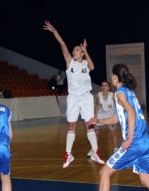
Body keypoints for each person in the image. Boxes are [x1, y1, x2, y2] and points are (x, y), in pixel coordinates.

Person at [89, 64, 149, 191]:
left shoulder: (119, 93)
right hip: (146, 142)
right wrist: (98, 121)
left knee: (104, 173)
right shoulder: (129, 92)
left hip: (134, 142)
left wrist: (129, 139)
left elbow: (131, 113)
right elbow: (116, 118)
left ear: (114, 77)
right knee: (147, 181)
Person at [43, 21, 105, 168]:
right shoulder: (70, 62)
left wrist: (86, 50)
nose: (73, 51)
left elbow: (92, 66)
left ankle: (96, 152)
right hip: (73, 98)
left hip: (86, 97)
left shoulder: (84, 64)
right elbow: (63, 45)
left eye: (76, 50)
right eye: (74, 50)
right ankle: (68, 154)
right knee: (71, 125)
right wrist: (54, 31)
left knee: (90, 124)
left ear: (81, 53)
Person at [87, 81, 119, 157]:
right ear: (101, 87)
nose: (104, 87)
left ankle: (116, 149)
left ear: (109, 88)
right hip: (100, 116)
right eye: (102, 85)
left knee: (113, 133)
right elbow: (98, 105)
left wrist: (118, 115)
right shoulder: (99, 95)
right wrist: (94, 116)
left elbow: (118, 105)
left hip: (110, 117)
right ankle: (93, 149)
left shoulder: (113, 96)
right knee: (97, 133)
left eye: (106, 85)